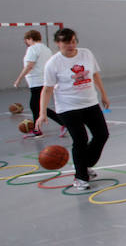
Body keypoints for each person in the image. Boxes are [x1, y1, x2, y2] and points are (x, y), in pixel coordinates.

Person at [36, 28, 110, 191]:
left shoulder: (86, 54)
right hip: (68, 107)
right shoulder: (53, 63)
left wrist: (103, 95)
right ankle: (80, 177)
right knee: (80, 140)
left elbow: (95, 75)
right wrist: (42, 113)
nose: (71, 45)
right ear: (58, 43)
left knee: (102, 135)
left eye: (73, 41)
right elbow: (47, 89)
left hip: (90, 103)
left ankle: (84, 165)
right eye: (66, 42)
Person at [12, 29, 65, 138]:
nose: (27, 43)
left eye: (27, 40)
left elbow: (29, 65)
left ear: (30, 39)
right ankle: (40, 129)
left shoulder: (32, 49)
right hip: (44, 80)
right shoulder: (46, 49)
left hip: (37, 81)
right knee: (38, 106)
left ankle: (42, 129)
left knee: (36, 105)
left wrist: (19, 79)